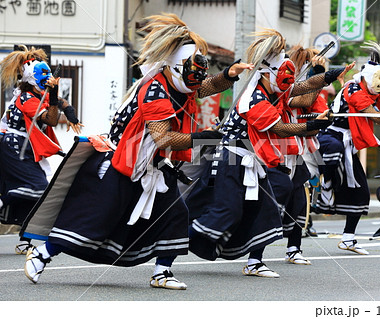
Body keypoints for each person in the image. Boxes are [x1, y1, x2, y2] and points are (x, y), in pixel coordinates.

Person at [21, 13, 252, 290]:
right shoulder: (155, 90)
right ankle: (44, 253)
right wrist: (202, 138)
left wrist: (229, 74)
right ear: (175, 65)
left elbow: (204, 86)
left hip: (153, 164)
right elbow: (163, 138)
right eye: (193, 69)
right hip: (124, 161)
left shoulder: (179, 82)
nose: (197, 76)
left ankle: (162, 271)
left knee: (175, 213)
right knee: (95, 217)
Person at [185, 29, 347, 277]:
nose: (286, 84)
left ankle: (255, 260)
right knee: (227, 210)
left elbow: (302, 86)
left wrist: (327, 76)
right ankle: (173, 239)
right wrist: (311, 126)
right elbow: (281, 129)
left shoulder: (274, 89)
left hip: (255, 157)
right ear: (266, 73)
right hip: (231, 156)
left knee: (273, 196)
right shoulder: (254, 97)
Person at [315, 40, 380, 254]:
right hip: (330, 136)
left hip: (349, 144)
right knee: (334, 151)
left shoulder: (373, 92)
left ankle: (348, 239)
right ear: (367, 77)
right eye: (378, 81)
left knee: (361, 192)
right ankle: (324, 185)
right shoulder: (354, 89)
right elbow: (379, 118)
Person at [266, 44, 354, 265]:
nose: (317, 64)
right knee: (271, 201)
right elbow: (302, 101)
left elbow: (315, 121)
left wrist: (323, 119)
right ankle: (252, 251)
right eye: (312, 63)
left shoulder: (314, 89)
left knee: (299, 200)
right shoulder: (282, 87)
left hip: (301, 150)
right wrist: (317, 75)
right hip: (278, 147)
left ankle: (294, 247)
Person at [0, 45, 82, 254]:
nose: (46, 78)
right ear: (31, 78)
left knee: (34, 193)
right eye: (42, 75)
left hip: (27, 150)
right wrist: (53, 96)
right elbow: (51, 120)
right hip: (13, 147)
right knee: (37, 188)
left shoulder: (41, 96)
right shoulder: (25, 98)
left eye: (48, 74)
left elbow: (62, 104)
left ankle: (25, 241)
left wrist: (71, 114)